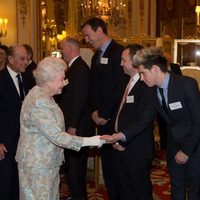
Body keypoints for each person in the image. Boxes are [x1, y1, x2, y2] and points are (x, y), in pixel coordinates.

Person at [15, 56, 105, 200]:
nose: (65, 83)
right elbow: (56, 136)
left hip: (47, 163)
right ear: (49, 80)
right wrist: (93, 141)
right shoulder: (38, 101)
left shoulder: (45, 95)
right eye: (62, 79)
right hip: (37, 166)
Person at [130, 47, 200, 200]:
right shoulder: (151, 91)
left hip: (194, 148)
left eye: (143, 73)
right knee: (176, 190)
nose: (141, 78)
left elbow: (198, 121)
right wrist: (121, 136)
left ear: (154, 69)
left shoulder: (187, 84)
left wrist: (187, 151)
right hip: (173, 148)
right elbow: (144, 121)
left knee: (195, 191)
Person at [82, 17, 128, 200]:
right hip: (100, 121)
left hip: (115, 121)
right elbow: (93, 88)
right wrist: (94, 111)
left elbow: (121, 88)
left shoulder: (120, 53)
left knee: (119, 170)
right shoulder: (95, 57)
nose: (86, 40)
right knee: (108, 169)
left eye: (88, 35)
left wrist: (105, 114)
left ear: (99, 30)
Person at [111, 44, 155, 200]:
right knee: (126, 191)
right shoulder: (128, 81)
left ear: (135, 61)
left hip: (137, 149)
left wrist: (122, 140)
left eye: (124, 60)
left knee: (140, 192)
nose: (121, 64)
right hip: (122, 146)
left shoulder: (147, 85)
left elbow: (142, 120)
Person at [58, 37, 91, 200]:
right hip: (73, 126)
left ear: (71, 48)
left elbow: (80, 100)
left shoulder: (80, 69)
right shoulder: (73, 68)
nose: (61, 51)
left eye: (62, 48)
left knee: (76, 171)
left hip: (77, 128)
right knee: (72, 170)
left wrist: (73, 126)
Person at [0, 44, 29, 200]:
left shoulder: (26, 78)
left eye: (27, 58)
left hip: (22, 141)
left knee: (18, 183)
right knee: (5, 184)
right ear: (10, 59)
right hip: (4, 143)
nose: (26, 61)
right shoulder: (1, 79)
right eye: (22, 58)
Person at [157, 51, 182, 159]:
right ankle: (164, 149)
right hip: (162, 105)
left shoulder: (175, 67)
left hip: (174, 101)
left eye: (168, 59)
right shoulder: (156, 72)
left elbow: (180, 79)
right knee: (163, 127)